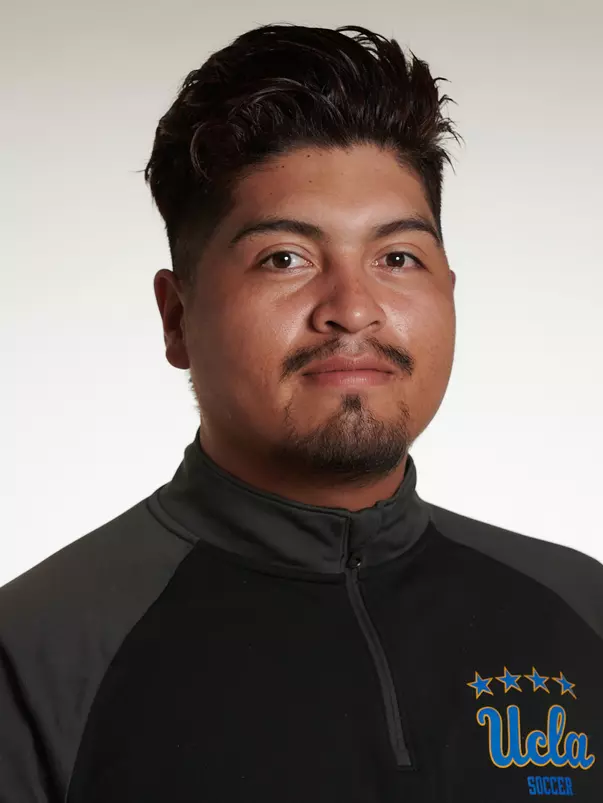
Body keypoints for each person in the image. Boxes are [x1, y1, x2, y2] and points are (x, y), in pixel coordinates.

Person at [2, 22, 602, 803]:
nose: (353, 310)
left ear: (449, 293)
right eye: (284, 258)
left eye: (397, 257)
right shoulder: (35, 655)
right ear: (175, 316)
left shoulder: (579, 610)